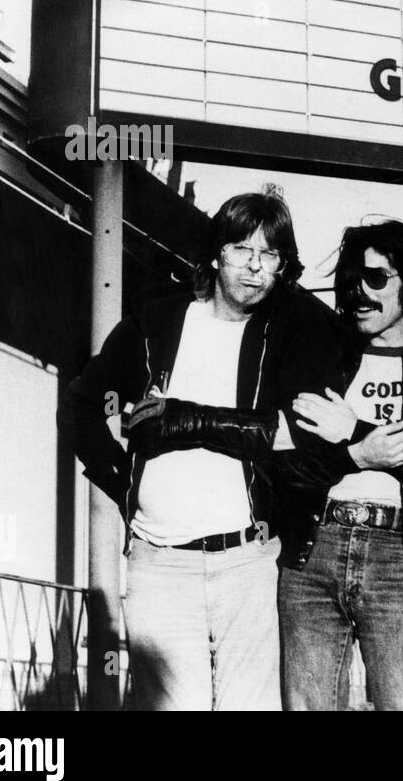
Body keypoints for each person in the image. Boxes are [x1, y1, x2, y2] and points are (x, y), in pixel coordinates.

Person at [58, 188, 344, 710]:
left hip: (249, 563)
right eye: (241, 249)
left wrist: (185, 420)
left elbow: (298, 434)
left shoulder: (283, 337)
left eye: (270, 255)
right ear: (215, 254)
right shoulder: (155, 326)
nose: (254, 267)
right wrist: (126, 485)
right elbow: (81, 407)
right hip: (160, 562)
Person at [274, 220, 403, 710]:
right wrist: (356, 456)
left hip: (401, 556)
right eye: (350, 282)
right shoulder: (326, 358)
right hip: (313, 550)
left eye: (376, 279)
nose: (359, 293)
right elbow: (288, 461)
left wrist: (353, 431)